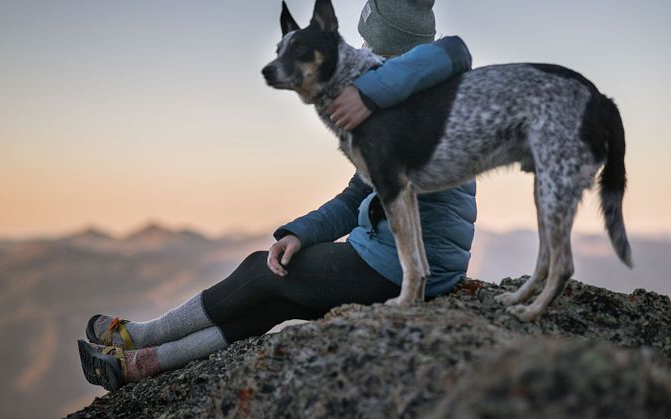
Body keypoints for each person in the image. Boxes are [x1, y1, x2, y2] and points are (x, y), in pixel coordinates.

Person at [78, 0, 477, 392]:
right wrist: (300, 233)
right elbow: (359, 191)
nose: (360, 52)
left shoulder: (425, 95)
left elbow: (456, 53)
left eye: (369, 44)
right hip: (400, 255)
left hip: (408, 265)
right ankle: (137, 366)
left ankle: (140, 336)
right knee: (274, 302)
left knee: (260, 271)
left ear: (391, 48)